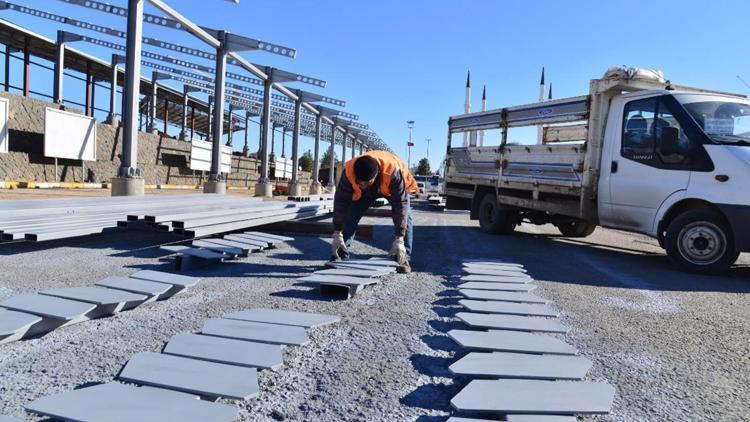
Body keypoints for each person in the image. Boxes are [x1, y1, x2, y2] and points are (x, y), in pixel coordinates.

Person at [331, 150, 418, 273]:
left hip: (391, 187)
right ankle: (340, 254)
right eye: (360, 183)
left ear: (376, 175)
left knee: (406, 216)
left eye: (366, 183)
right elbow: (341, 202)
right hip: (367, 193)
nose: (363, 185)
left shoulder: (392, 172)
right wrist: (337, 232)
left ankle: (403, 257)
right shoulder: (349, 172)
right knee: (350, 215)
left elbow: (401, 205)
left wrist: (399, 238)